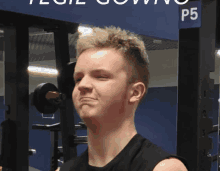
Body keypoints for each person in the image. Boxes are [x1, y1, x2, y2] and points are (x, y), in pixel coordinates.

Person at [55, 25, 190, 171]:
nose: (83, 85)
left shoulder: (163, 168)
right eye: (78, 79)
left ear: (135, 92)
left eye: (101, 76)